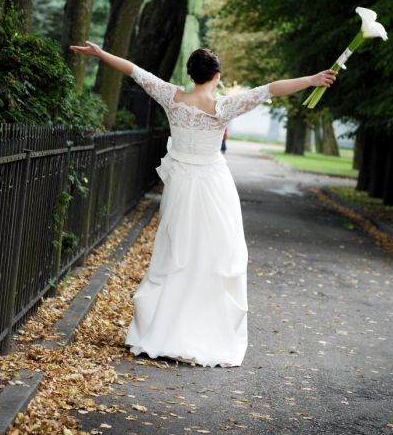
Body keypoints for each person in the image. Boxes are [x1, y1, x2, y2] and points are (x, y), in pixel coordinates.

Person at [70, 42, 336, 367]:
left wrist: (101, 54)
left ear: (192, 74)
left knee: (176, 251)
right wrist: (312, 79)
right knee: (214, 254)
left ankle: (164, 330)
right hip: (214, 186)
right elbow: (270, 89)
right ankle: (207, 331)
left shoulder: (173, 97)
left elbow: (135, 72)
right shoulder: (224, 106)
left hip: (181, 185)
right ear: (217, 76)